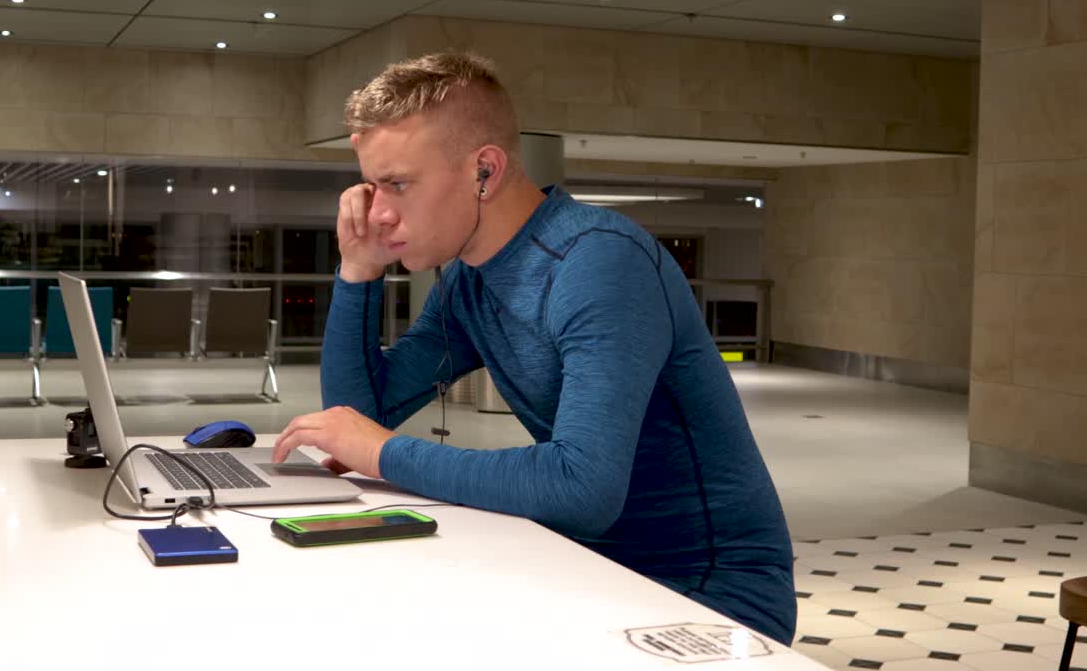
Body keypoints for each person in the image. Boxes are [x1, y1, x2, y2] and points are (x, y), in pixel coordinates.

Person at [272, 51, 796, 645]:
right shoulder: (469, 280)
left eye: (398, 184)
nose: (379, 212)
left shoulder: (598, 260)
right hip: (589, 566)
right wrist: (358, 270)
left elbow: (582, 486)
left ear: (485, 172)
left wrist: (385, 452)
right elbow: (355, 420)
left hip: (707, 592)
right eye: (371, 186)